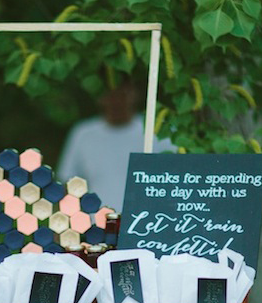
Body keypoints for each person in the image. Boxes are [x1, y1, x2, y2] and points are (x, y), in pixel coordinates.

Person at [58, 78, 175, 212]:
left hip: (149, 225)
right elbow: (68, 184)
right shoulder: (83, 133)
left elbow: (178, 181)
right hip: (95, 228)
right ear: (100, 98)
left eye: (122, 94)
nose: (116, 101)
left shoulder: (158, 131)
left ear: (135, 94)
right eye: (110, 95)